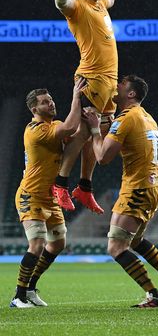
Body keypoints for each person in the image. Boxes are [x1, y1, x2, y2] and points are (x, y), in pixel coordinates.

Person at [84, 75, 158, 308]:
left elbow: (102, 157)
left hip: (137, 187)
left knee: (116, 246)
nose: (115, 86)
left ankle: (154, 294)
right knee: (136, 240)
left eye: (120, 84)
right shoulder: (146, 117)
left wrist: (94, 129)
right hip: (153, 185)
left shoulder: (127, 118)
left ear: (130, 93)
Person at [52, 0, 119, 214]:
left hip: (109, 81)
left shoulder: (100, 4)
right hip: (91, 77)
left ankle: (85, 187)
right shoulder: (77, 8)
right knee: (81, 133)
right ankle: (60, 183)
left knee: (99, 133)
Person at [10, 80, 85, 308]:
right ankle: (19, 296)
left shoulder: (53, 126)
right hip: (30, 195)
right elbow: (71, 128)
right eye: (45, 102)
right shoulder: (37, 130)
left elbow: (76, 136)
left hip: (50, 197)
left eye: (51, 100)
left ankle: (31, 287)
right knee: (38, 244)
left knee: (58, 244)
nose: (51, 104)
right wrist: (76, 96)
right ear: (34, 109)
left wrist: (94, 123)